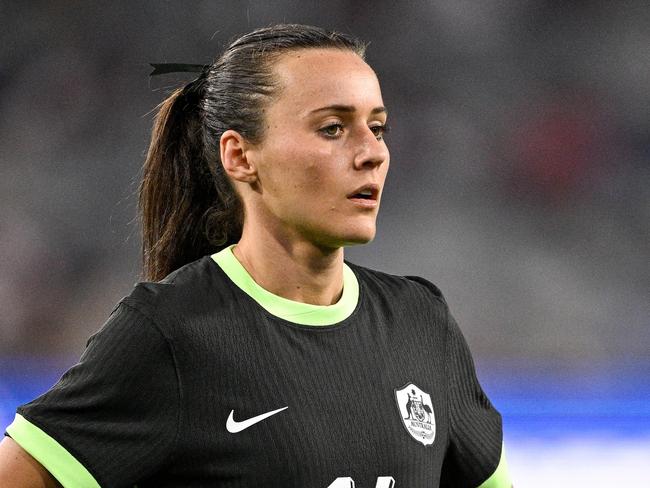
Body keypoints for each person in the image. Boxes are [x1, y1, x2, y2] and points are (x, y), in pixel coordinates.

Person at [0, 24, 513, 488]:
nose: (372, 151)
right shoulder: (171, 333)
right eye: (333, 128)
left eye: (377, 127)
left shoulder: (421, 322)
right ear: (241, 157)